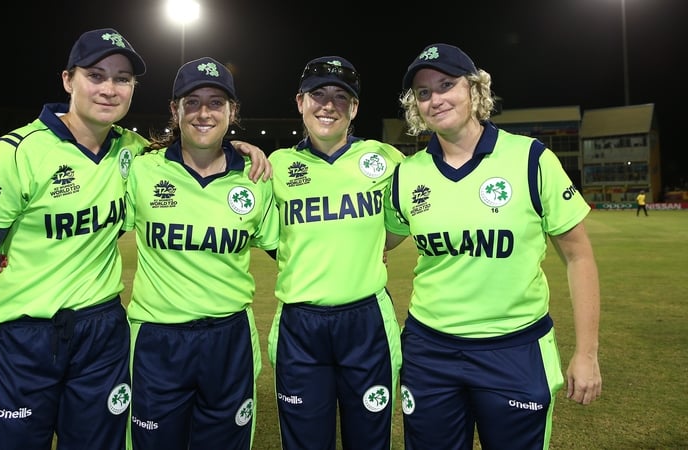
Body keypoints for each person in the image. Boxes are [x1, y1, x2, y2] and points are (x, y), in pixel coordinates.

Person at [0, 29, 270, 449]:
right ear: (67, 80)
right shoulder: (18, 152)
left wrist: (239, 148)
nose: (109, 88)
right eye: (96, 75)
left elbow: (190, 149)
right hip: (23, 335)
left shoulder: (133, 153)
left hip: (102, 335)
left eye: (122, 79)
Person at [384, 43, 602, 449]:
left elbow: (579, 256)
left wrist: (586, 353)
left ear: (474, 89)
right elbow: (378, 242)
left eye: (446, 85)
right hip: (430, 351)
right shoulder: (407, 174)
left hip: (515, 349)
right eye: (424, 92)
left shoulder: (531, 159)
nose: (435, 99)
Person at [123, 56, 279, 449]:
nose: (203, 113)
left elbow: (292, 252)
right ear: (174, 110)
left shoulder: (255, 178)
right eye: (191, 102)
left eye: (216, 103)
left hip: (229, 339)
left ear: (233, 112)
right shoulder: (141, 170)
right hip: (157, 339)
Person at [266, 56, 405, 450]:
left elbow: (401, 225)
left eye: (340, 96)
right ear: (299, 102)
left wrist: (369, 248)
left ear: (355, 107)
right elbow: (270, 236)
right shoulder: (277, 165)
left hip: (366, 322)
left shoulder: (386, 160)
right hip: (300, 324)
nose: (328, 105)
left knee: (369, 440)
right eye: (318, 94)